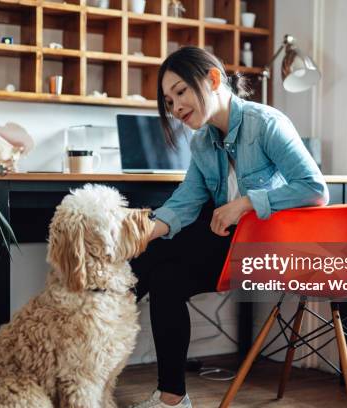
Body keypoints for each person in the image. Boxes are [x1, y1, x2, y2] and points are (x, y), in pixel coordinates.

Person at [128, 46, 328, 408]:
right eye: (168, 100)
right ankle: (172, 398)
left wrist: (247, 203)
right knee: (162, 275)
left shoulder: (266, 123)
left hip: (267, 249)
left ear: (213, 79)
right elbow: (186, 200)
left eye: (180, 92)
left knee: (145, 262)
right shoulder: (202, 141)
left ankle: (90, 334)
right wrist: (142, 234)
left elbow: (315, 189)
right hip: (230, 248)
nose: (174, 107)